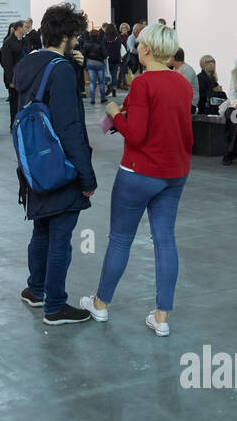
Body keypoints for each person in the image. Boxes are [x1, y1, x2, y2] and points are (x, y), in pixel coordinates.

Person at [78, 24, 192, 334]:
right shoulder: (182, 84)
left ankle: (101, 305)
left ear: (145, 49)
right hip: (175, 173)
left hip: (139, 173)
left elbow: (136, 134)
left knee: (120, 240)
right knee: (165, 240)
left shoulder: (143, 84)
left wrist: (115, 112)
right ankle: (162, 317)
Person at [12, 4, 96, 325]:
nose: (76, 40)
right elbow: (69, 126)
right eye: (74, 35)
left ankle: (35, 290)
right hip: (61, 167)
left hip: (34, 164)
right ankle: (55, 305)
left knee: (42, 228)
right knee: (61, 235)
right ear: (64, 35)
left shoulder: (28, 64)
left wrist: (72, 69)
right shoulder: (59, 69)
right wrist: (87, 176)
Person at [0, 21, 26, 111]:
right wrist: (10, 81)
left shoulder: (25, 40)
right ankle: (13, 124)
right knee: (15, 104)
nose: (26, 29)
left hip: (24, 77)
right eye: (25, 27)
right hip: (14, 79)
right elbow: (7, 63)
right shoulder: (8, 43)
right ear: (19, 28)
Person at [82, 29, 107, 105]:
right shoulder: (100, 43)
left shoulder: (86, 43)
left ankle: (92, 99)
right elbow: (104, 55)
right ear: (97, 35)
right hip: (99, 64)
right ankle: (102, 98)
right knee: (101, 82)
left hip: (90, 63)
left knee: (92, 83)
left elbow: (84, 53)